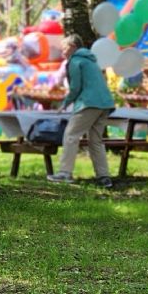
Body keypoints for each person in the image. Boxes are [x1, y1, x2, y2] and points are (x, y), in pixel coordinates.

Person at [48, 34, 116, 188]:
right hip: (105, 104)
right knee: (96, 140)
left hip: (89, 103)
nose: (63, 52)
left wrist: (65, 103)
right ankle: (104, 177)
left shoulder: (75, 61)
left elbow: (75, 87)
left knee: (71, 135)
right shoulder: (91, 60)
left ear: (72, 46)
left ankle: (65, 173)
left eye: (64, 48)